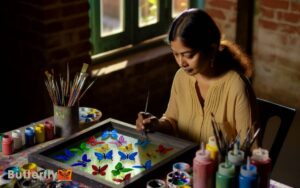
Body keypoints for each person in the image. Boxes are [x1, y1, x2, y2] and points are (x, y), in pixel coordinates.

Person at [136, 8, 257, 147]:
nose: (182, 63)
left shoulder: (236, 86)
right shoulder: (181, 77)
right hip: (183, 165)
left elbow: (250, 148)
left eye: (188, 55)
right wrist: (155, 124)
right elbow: (172, 121)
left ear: (211, 49)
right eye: (175, 54)